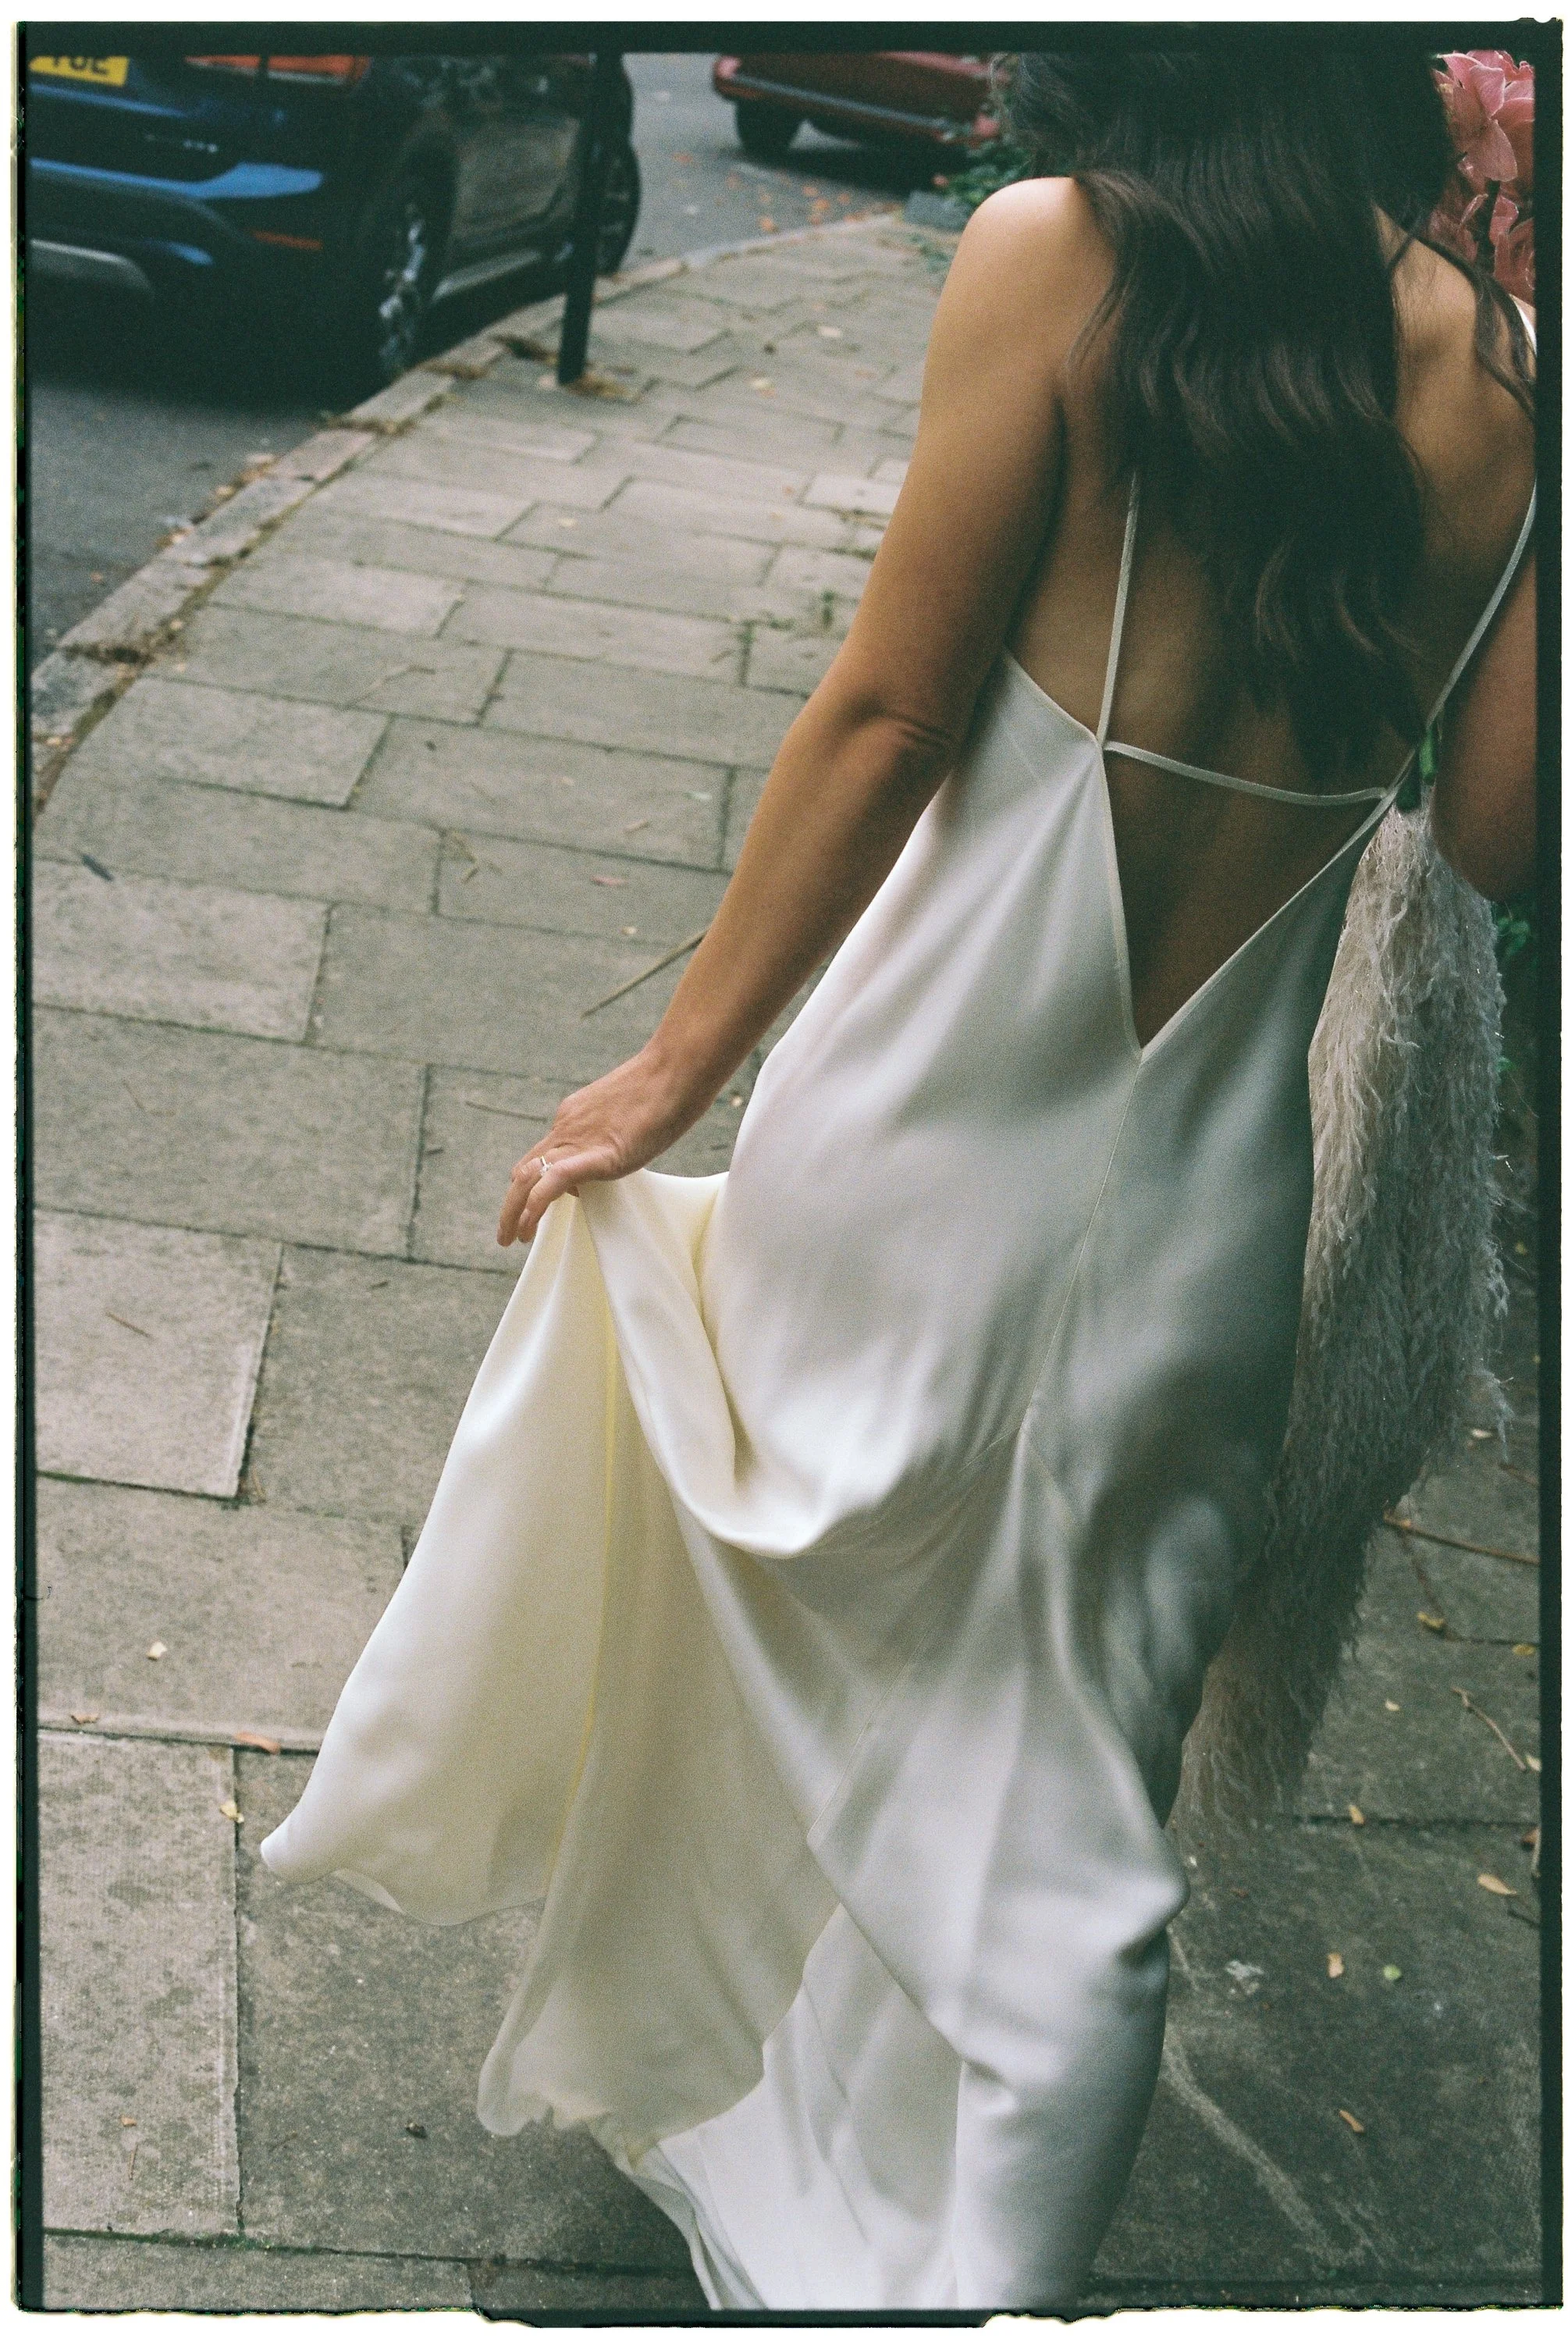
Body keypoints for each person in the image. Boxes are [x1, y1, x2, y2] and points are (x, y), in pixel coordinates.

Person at [261, 43, 1537, 2310]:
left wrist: (674, 1070)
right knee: (1078, 1784)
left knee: (819, 1584)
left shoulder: (1064, 259)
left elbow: (885, 710)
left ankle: (900, 2214)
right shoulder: (1510, 382)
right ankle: (931, 2229)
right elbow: (1501, 834)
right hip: (1210, 1217)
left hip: (921, 1135)